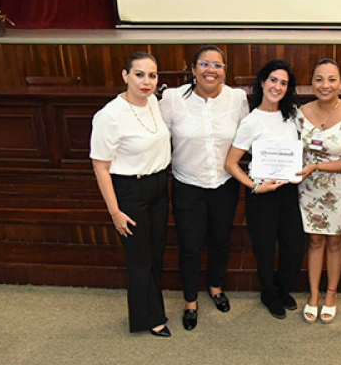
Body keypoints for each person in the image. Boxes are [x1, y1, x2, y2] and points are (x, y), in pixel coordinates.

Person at [159, 45, 249, 331]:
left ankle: (215, 286)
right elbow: (157, 137)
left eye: (217, 65)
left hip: (225, 183)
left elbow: (249, 136)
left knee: (221, 240)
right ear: (193, 68)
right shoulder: (173, 98)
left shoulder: (237, 98)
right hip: (188, 184)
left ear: (225, 71)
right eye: (204, 64)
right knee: (190, 245)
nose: (211, 70)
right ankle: (189, 301)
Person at [90, 52, 172, 337]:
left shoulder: (154, 103)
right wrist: (115, 212)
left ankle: (153, 311)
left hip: (159, 188)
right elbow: (100, 167)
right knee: (139, 259)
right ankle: (150, 319)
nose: (146, 81)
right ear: (125, 76)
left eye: (152, 75)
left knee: (155, 253)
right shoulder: (109, 115)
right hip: (130, 191)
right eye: (139, 74)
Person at [225, 60, 304, 319]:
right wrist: (255, 186)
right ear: (262, 82)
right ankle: (269, 294)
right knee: (265, 248)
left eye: (283, 83)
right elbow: (231, 163)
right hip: (262, 196)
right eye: (273, 80)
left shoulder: (293, 116)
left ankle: (281, 288)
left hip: (289, 192)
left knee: (293, 248)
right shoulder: (251, 121)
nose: (277, 86)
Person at [296, 58, 341, 324]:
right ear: (311, 82)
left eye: (331, 79)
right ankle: (313, 294)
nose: (325, 85)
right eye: (318, 79)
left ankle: (331, 294)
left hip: (340, 190)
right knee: (314, 241)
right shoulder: (300, 113)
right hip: (308, 187)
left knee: (335, 242)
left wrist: (316, 165)